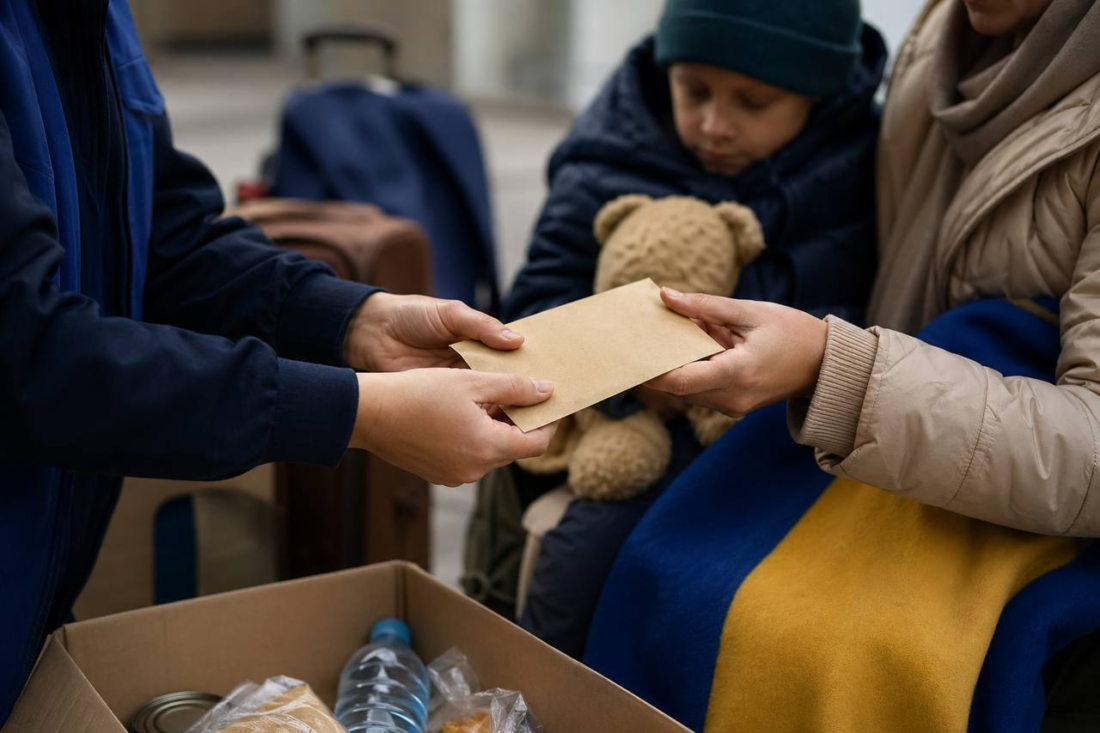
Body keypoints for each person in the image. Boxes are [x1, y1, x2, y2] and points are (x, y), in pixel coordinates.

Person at [0, 0, 555, 723]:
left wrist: (355, 319)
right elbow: (29, 355)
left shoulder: (94, 18)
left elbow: (165, 238)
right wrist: (358, 411)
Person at [474, 0, 886, 656]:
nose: (714, 125)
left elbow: (860, 319)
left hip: (785, 439)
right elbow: (533, 310)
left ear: (820, 94)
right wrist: (633, 379)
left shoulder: (859, 165)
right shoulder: (608, 156)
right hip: (629, 434)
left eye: (754, 102)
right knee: (584, 564)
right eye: (692, 91)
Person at [648, 0, 1100, 537]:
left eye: (755, 100)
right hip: (868, 471)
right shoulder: (940, 29)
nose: (715, 126)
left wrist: (835, 372)